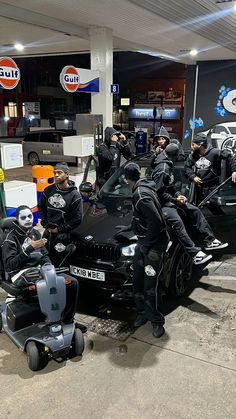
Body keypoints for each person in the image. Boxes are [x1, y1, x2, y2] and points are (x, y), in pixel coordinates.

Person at [1, 205, 78, 325]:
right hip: (20, 273)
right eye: (24, 217)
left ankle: (68, 320)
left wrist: (48, 265)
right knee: (49, 284)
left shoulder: (35, 232)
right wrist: (30, 248)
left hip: (40, 270)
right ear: (17, 219)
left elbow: (44, 255)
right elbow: (10, 266)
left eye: (30, 216)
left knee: (72, 283)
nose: (28, 219)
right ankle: (51, 321)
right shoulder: (9, 238)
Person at [152, 144, 228, 263]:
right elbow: (159, 192)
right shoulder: (163, 168)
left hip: (169, 200)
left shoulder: (168, 165)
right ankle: (194, 253)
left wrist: (178, 195)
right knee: (178, 222)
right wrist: (175, 200)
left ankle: (209, 241)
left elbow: (169, 187)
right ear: (174, 156)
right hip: (161, 204)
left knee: (194, 210)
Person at [124, 162, 169, 338]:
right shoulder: (142, 188)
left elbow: (156, 221)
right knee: (137, 281)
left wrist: (147, 243)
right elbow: (142, 218)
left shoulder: (141, 194)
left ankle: (157, 322)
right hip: (144, 243)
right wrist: (130, 228)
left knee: (151, 286)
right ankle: (142, 313)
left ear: (126, 178)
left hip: (153, 247)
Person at [38, 162, 83, 267]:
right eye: (55, 173)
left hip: (63, 237)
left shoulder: (74, 195)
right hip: (47, 235)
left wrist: (59, 229)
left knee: (60, 266)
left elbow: (78, 218)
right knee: (45, 263)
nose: (56, 175)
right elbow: (41, 207)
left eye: (59, 172)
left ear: (67, 174)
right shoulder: (48, 190)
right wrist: (45, 223)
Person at [184, 134, 236, 204]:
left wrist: (234, 171)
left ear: (200, 144)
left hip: (213, 188)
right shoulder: (193, 156)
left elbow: (230, 157)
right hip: (199, 188)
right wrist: (193, 176)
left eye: (193, 144)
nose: (191, 146)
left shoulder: (215, 152)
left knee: (214, 208)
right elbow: (187, 167)